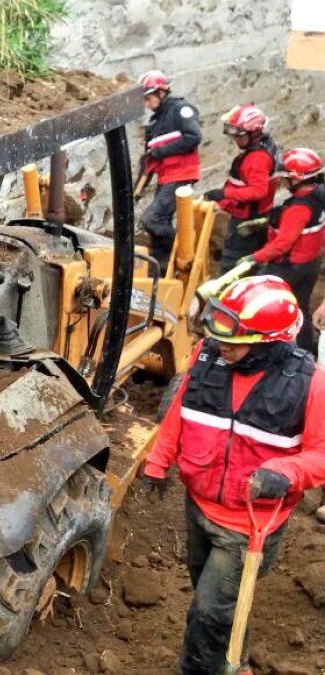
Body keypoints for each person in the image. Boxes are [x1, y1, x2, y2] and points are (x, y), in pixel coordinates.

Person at [138, 275, 325, 675]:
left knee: (208, 613)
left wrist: (286, 471)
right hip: (199, 508)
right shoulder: (209, 359)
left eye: (234, 341)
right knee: (218, 605)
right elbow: (181, 415)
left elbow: (322, 454)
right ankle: (233, 659)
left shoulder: (310, 383)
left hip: (249, 526)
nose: (222, 346)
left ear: (269, 342)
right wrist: (158, 462)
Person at [244, 147, 325, 351]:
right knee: (300, 305)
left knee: (261, 303)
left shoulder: (298, 209)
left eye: (286, 177)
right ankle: (305, 348)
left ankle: (265, 348)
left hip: (288, 268)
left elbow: (282, 244)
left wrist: (254, 258)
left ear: (297, 179)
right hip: (311, 263)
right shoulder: (318, 196)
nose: (284, 181)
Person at [202, 104, 278, 272]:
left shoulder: (256, 159)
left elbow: (258, 191)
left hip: (246, 219)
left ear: (254, 133)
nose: (236, 139)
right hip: (257, 215)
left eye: (239, 135)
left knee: (233, 261)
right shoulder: (266, 146)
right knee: (252, 261)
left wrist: (224, 194)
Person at [138, 70, 202, 272]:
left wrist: (160, 152)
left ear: (161, 93)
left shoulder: (180, 110)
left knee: (152, 219)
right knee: (159, 222)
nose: (147, 104)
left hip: (181, 176)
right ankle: (161, 266)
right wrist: (138, 187)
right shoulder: (155, 124)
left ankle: (182, 250)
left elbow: (193, 137)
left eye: (148, 98)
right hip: (166, 178)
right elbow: (149, 159)